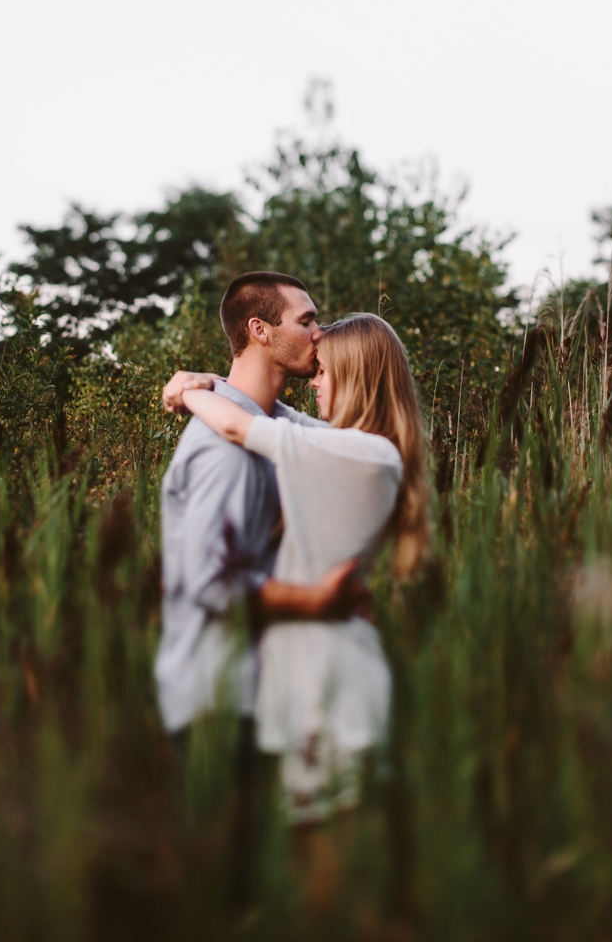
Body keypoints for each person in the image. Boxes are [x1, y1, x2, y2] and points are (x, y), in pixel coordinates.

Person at [163, 312, 430, 913]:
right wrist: (212, 381)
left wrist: (186, 392)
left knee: (340, 896)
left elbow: (237, 425)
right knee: (320, 893)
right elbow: (264, 413)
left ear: (356, 378)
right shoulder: (343, 447)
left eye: (326, 371)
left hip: (332, 685)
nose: (313, 381)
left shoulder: (359, 454)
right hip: (310, 684)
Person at [155, 271, 364, 913]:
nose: (317, 331)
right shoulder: (223, 453)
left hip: (260, 694)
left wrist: (201, 386)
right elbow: (207, 585)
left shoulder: (267, 424)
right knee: (222, 898)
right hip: (217, 697)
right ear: (259, 330)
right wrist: (316, 603)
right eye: (306, 320)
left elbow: (319, 437)